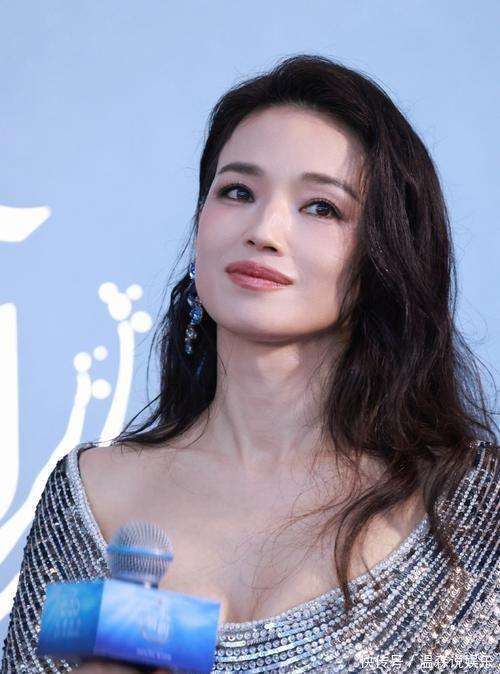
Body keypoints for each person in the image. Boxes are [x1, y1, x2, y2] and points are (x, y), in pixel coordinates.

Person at [2, 54, 498, 674]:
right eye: (237, 191)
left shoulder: (473, 507)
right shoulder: (90, 494)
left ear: (384, 256)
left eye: (321, 207)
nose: (264, 229)